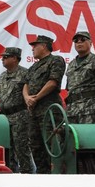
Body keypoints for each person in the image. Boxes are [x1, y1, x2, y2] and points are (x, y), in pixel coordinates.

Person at [24, 35, 66, 174]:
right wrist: (27, 97)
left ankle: (56, 175)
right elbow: (26, 84)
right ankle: (42, 176)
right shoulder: (33, 67)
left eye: (35, 46)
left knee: (52, 143)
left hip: (49, 111)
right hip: (33, 112)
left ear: (44, 46)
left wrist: (36, 98)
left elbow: (53, 82)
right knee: (35, 145)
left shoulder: (55, 60)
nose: (32, 49)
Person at [0, 47, 33, 173]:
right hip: (4, 118)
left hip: (20, 116)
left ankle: (27, 175)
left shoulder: (25, 74)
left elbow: (31, 93)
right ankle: (9, 174)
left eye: (6, 57)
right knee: (7, 149)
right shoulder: (2, 76)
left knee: (22, 149)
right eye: (3, 57)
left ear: (15, 58)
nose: (3, 59)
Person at [65, 31, 95, 124]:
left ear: (90, 43)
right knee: (73, 137)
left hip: (91, 110)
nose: (79, 42)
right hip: (72, 110)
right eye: (76, 41)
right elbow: (69, 88)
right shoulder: (71, 64)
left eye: (83, 40)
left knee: (91, 137)